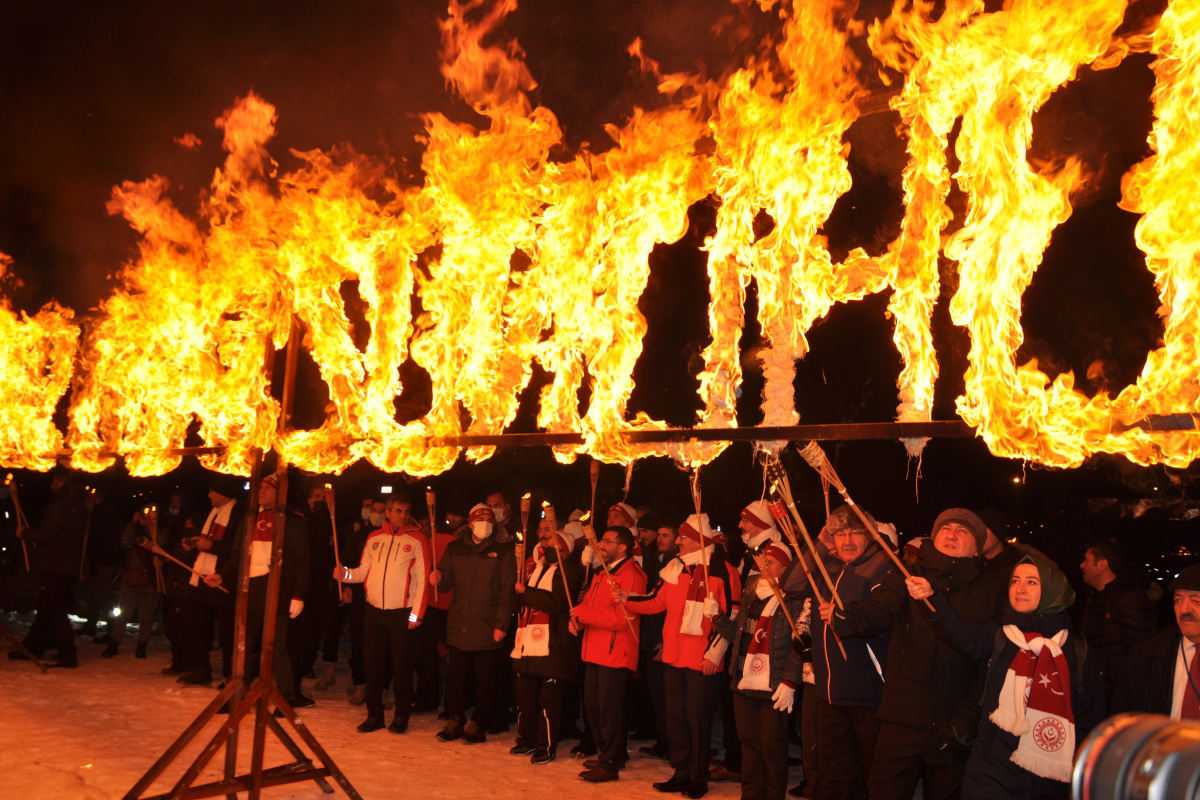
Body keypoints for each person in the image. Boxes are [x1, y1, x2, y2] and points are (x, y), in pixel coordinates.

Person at [830, 508, 1001, 800]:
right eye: (945, 529)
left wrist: (968, 718)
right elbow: (880, 608)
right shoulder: (908, 576)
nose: (951, 535)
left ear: (977, 548)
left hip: (953, 720)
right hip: (902, 716)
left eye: (962, 531)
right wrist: (854, 617)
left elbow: (987, 653)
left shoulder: (991, 592)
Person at [906, 552, 1105, 799]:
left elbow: (1092, 718)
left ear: (1053, 590)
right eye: (1015, 581)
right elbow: (959, 630)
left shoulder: (1077, 650)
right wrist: (934, 597)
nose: (1020, 589)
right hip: (992, 774)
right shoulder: (1000, 638)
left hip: (1052, 779)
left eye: (1032, 582)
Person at [619, 513, 739, 799]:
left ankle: (698, 777)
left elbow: (732, 617)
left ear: (699, 541)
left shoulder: (723, 570)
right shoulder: (675, 567)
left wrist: (715, 654)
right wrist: (627, 597)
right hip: (674, 657)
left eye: (684, 537)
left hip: (702, 660)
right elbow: (655, 601)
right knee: (676, 720)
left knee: (698, 722)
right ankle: (681, 772)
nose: (679, 541)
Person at [205, 473, 312, 708]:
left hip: (278, 592)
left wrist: (298, 595)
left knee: (276, 649)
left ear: (280, 493)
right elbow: (238, 556)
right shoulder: (249, 520)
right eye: (259, 488)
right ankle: (238, 694)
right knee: (242, 645)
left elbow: (302, 562)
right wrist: (222, 574)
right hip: (250, 591)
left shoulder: (292, 522)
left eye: (267, 488)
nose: (261, 492)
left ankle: (287, 698)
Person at [710, 541, 804, 800]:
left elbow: (798, 645)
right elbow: (738, 635)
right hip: (744, 679)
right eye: (762, 561)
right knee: (749, 745)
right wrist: (718, 618)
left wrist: (789, 681)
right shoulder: (751, 591)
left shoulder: (794, 598)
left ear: (785, 568)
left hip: (774, 684)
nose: (764, 567)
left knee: (772, 748)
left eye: (771, 562)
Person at [814, 505, 894, 800]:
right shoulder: (831, 567)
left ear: (869, 534)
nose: (847, 541)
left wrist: (845, 616)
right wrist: (820, 543)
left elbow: (880, 615)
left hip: (868, 694)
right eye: (840, 534)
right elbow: (791, 583)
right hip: (830, 693)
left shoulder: (883, 567)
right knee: (835, 775)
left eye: (856, 532)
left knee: (874, 774)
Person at [335, 494, 429, 733]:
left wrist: (416, 615)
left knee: (401, 667)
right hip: (374, 611)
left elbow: (422, 580)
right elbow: (363, 571)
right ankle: (374, 715)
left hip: (402, 613)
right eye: (398, 511)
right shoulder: (374, 538)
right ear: (388, 512)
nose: (403, 516)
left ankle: (401, 716)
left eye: (406, 511)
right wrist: (346, 575)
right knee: (373, 665)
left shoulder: (417, 540)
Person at [430, 503, 516, 743]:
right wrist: (439, 578)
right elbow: (446, 582)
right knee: (455, 677)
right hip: (460, 624)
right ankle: (455, 718)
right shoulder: (455, 548)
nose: (484, 525)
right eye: (480, 520)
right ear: (470, 523)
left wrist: (501, 624)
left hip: (487, 625)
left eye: (489, 521)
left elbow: (507, 591)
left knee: (485, 679)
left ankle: (478, 722)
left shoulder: (502, 551)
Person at [569, 525, 646, 783]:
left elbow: (622, 619)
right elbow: (589, 605)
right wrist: (578, 621)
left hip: (615, 652)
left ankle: (610, 762)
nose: (601, 545)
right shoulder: (603, 572)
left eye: (607, 541)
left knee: (608, 710)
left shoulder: (632, 575)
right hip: (595, 649)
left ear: (622, 547)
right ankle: (611, 753)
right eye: (601, 540)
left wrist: (584, 614)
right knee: (594, 708)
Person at [510, 510, 582, 764]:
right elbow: (524, 599)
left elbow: (557, 602)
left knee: (548, 701)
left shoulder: (569, 571)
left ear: (564, 550)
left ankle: (546, 745)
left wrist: (525, 592)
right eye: (546, 544)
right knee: (526, 697)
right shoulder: (538, 568)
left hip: (554, 643)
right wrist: (518, 594)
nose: (547, 547)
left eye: (553, 545)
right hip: (528, 640)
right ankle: (526, 739)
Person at [11, 466, 88, 668]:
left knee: (54, 610)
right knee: (47, 609)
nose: (51, 485)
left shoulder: (59, 506)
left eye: (54, 482)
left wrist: (24, 533)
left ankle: (67, 655)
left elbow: (47, 533)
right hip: (67, 565)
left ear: (61, 483)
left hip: (55, 565)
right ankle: (32, 648)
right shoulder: (80, 506)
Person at [174, 473, 244, 686]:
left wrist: (211, 546)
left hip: (223, 579)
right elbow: (207, 539)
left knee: (227, 633)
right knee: (196, 627)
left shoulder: (238, 515)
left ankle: (230, 675)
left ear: (223, 494)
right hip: (202, 577)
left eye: (213, 491)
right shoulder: (213, 513)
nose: (209, 495)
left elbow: (238, 550)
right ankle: (200, 669)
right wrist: (194, 543)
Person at [1111, 562, 1200, 720]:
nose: (1185, 610)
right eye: (1178, 600)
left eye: (1196, 601)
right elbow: (1123, 719)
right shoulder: (1146, 657)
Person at [1079, 540, 1157, 700]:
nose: (1082, 565)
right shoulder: (1095, 598)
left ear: (1102, 565)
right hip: (1100, 689)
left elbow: (1141, 649)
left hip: (1120, 693)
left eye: (1086, 560)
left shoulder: (1126, 600)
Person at [103, 506, 164, 659]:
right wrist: (133, 523)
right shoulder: (135, 531)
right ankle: (114, 642)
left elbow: (160, 545)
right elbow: (125, 542)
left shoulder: (162, 531)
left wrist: (150, 526)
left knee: (146, 616)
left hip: (151, 578)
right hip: (132, 576)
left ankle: (142, 644)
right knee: (123, 613)